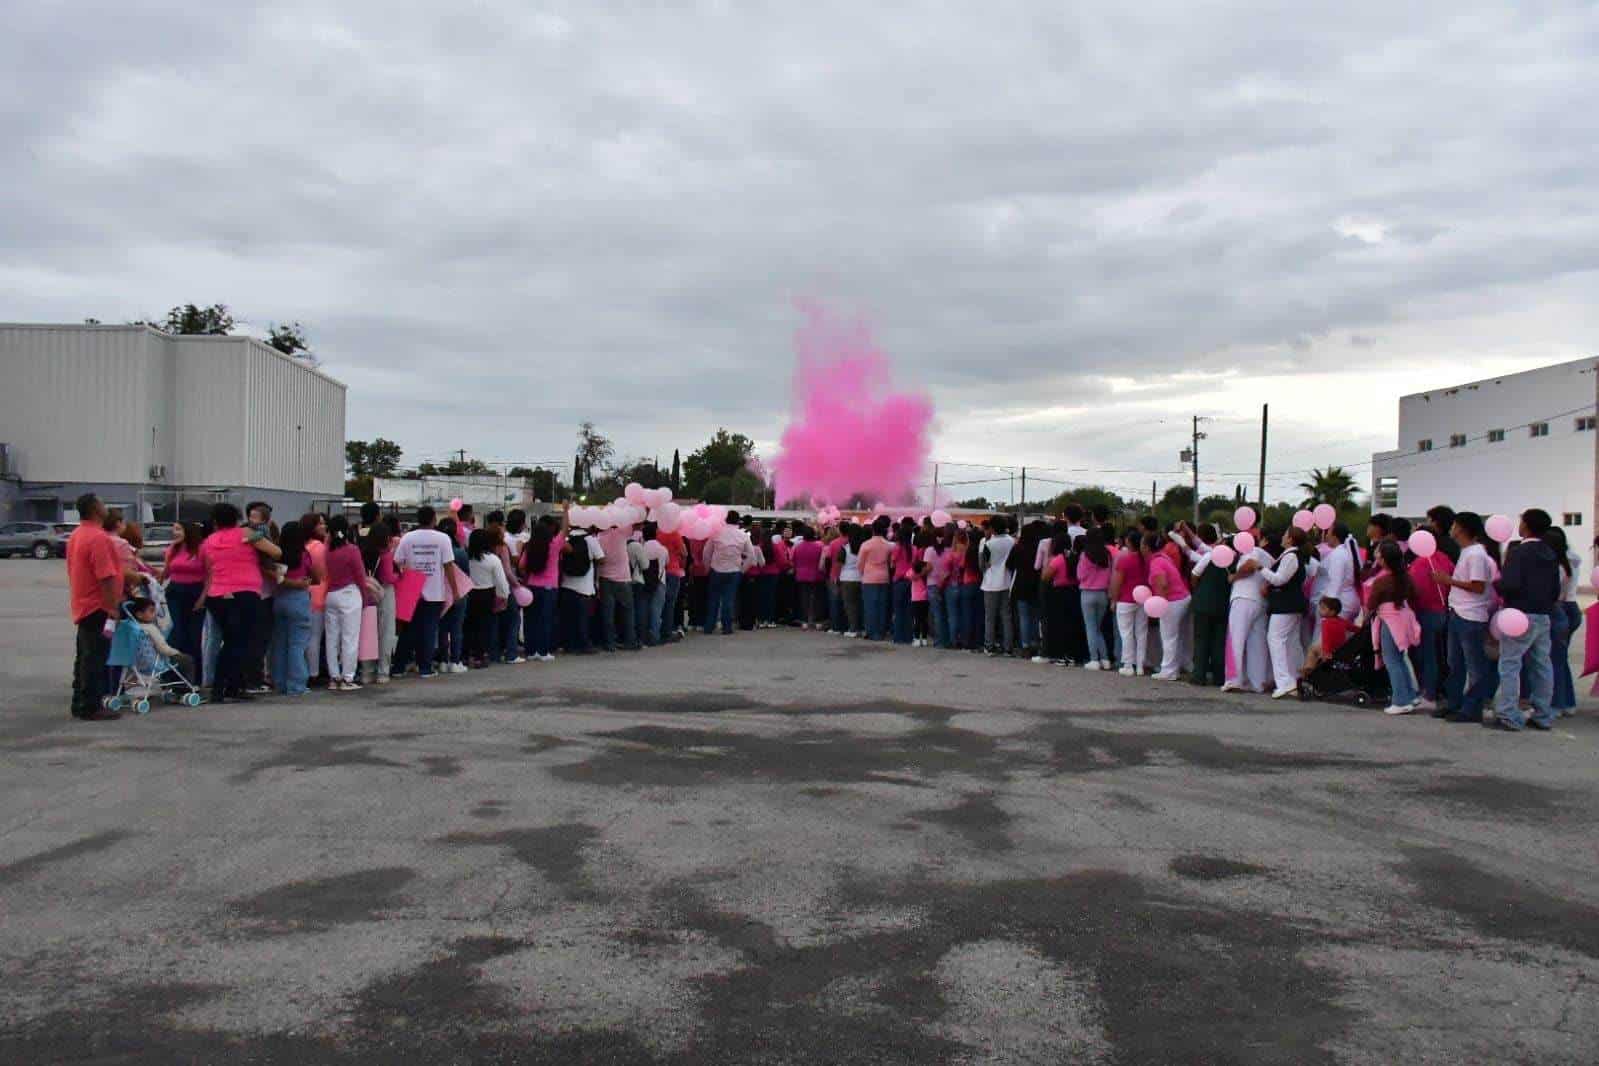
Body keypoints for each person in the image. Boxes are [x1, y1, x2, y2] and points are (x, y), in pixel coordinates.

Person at [199, 501, 282, 704]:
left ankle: (232, 686)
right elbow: (276, 552)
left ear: (216, 522)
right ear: (237, 519)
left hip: (217, 594)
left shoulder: (209, 540)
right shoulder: (246, 535)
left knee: (229, 639)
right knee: (240, 641)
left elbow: (206, 566)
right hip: (244, 592)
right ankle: (223, 688)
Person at [1491, 509, 1561, 732]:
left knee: (1510, 663)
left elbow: (1510, 583)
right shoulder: (1549, 552)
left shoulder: (1519, 552)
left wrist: (1496, 584)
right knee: (1542, 664)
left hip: (1519, 614)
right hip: (1543, 614)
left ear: (1527, 526)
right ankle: (1542, 713)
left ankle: (1508, 713)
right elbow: (1555, 588)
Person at [1432, 512, 1500, 723]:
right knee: (1455, 663)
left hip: (1471, 615)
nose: (1451, 528)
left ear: (1461, 528)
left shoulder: (1476, 555)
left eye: (1454, 525)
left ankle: (1471, 708)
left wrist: (1448, 580)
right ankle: (1455, 703)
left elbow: (1478, 586)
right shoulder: (1467, 552)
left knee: (1474, 666)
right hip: (1458, 612)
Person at [66, 494, 125, 720]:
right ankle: (91, 705)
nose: (105, 506)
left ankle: (79, 701)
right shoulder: (98, 538)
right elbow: (107, 576)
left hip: (83, 603)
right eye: (102, 502)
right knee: (96, 658)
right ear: (94, 509)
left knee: (85, 656)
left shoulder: (77, 534)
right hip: (97, 605)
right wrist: (112, 607)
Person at [390, 506, 460, 679]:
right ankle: (425, 667)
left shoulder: (407, 538)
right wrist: (455, 590)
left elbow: (397, 561)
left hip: (412, 589)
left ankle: (399, 666)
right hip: (435, 590)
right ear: (433, 519)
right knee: (429, 629)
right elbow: (448, 565)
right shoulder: (443, 539)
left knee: (408, 630)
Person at [1365, 541, 1424, 715]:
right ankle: (1410, 696)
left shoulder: (1381, 581)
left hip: (1389, 620)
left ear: (1383, 560)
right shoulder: (1405, 576)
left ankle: (1400, 700)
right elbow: (1415, 594)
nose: (1376, 555)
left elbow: (1371, 603)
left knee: (1391, 660)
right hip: (1403, 617)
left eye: (1378, 553)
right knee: (1400, 659)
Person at [1262, 527, 1316, 699]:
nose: (1282, 537)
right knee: (1290, 642)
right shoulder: (1295, 555)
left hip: (1285, 605)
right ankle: (1294, 679)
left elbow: (1280, 579)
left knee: (1275, 640)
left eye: (1285, 535)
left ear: (1291, 539)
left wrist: (1260, 569)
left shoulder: (1291, 556)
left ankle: (1284, 682)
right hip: (1292, 604)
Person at [1406, 534, 1455, 711]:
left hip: (1426, 613)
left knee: (1427, 656)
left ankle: (1429, 693)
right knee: (1441, 654)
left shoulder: (1419, 564)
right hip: (1443, 611)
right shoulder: (1443, 558)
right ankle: (1442, 690)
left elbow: (1414, 591)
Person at [1223, 533, 1273, 694]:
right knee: (1257, 643)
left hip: (1243, 598)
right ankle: (1257, 682)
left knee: (1235, 639)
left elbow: (1250, 566)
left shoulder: (1251, 552)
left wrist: (1234, 577)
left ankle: (1233, 680)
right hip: (1260, 602)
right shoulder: (1269, 557)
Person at [321, 515, 366, 690]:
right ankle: (348, 677)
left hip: (331, 595)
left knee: (332, 638)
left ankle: (334, 677)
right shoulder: (352, 550)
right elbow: (360, 576)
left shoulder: (328, 551)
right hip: (349, 594)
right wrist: (365, 597)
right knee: (350, 638)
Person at [270, 520, 314, 696]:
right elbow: (314, 574)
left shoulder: (277, 554)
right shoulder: (304, 555)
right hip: (298, 599)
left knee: (279, 643)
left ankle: (279, 682)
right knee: (297, 644)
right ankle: (296, 685)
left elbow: (277, 577)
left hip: (279, 599)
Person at [1546, 526, 1582, 717]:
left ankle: (1557, 703)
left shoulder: (1557, 565)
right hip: (1572, 608)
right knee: (1561, 659)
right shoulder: (1573, 558)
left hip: (1560, 608)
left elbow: (1554, 593)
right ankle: (1567, 701)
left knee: (1555, 660)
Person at [1145, 531, 1191, 681]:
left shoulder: (1156, 562)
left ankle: (1169, 670)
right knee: (1178, 636)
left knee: (1169, 637)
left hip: (1172, 601)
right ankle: (1177, 666)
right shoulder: (1163, 557)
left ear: (1146, 547)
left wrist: (1160, 605)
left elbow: (1162, 584)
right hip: (1183, 597)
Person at [160, 521, 207, 667]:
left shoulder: (201, 549)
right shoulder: (172, 549)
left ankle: (195, 674)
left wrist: (203, 598)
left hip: (196, 592)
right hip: (175, 592)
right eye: (173, 529)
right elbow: (166, 573)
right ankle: (174, 672)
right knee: (178, 631)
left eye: (178, 529)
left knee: (194, 634)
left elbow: (210, 576)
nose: (175, 532)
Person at [519, 515, 563, 661]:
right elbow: (565, 531)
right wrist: (565, 510)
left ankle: (531, 651)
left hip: (531, 587)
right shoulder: (554, 546)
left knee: (531, 619)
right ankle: (544, 652)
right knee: (546, 620)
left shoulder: (529, 547)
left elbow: (521, 566)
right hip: (549, 587)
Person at [465, 527, 509, 668]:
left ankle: (466, 655)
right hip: (486, 594)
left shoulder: (467, 558)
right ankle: (480, 656)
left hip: (469, 593)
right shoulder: (492, 559)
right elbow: (501, 581)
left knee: (469, 626)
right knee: (484, 627)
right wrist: (504, 596)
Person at [595, 519, 639, 652]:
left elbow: (599, 559)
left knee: (608, 613)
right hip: (623, 578)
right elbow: (637, 521)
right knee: (628, 611)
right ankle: (630, 640)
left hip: (605, 578)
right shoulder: (621, 532)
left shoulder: (599, 538)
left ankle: (610, 643)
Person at [559, 522, 602, 653]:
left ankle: (569, 645)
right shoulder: (590, 540)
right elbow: (601, 558)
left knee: (568, 618)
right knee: (583, 618)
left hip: (566, 584)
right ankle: (584, 645)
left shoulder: (565, 539)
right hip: (585, 587)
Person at [434, 518, 471, 673]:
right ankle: (455, 661)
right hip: (459, 592)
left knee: (442, 628)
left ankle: (443, 660)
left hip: (440, 592)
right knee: (456, 628)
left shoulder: (437, 548)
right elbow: (466, 573)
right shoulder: (460, 551)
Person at [1109, 530, 1147, 676]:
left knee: (1126, 633)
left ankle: (1128, 664)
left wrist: (1113, 599)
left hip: (1125, 599)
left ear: (1129, 542)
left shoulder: (1124, 559)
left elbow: (1117, 582)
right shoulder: (1146, 559)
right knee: (1141, 633)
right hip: (1143, 599)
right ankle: (1140, 665)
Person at [1075, 526, 1113, 670]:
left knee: (1090, 628)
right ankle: (1105, 659)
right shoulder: (1107, 554)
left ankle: (1094, 659)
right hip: (1103, 593)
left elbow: (1080, 575)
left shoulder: (1085, 555)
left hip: (1087, 593)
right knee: (1098, 628)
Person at [978, 517, 1015, 655]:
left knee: (990, 617)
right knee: (1006, 616)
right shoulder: (1012, 541)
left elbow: (983, 565)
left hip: (991, 583)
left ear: (993, 528)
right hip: (1007, 581)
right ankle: (1008, 647)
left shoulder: (989, 544)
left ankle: (989, 646)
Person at [859, 517, 896, 642]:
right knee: (882, 605)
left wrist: (862, 574)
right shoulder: (889, 545)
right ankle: (881, 631)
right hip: (884, 577)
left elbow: (860, 564)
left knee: (870, 606)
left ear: (873, 530)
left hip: (869, 577)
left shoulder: (866, 545)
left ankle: (871, 631)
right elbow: (892, 562)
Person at [1300, 597, 1352, 676]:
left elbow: (1326, 639)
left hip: (1330, 651)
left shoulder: (1326, 623)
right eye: (1320, 608)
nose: (1320, 611)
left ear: (1332, 612)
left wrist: (1326, 653)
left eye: (1323, 609)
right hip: (1340, 648)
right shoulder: (1341, 620)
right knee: (1316, 647)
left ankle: (1309, 669)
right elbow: (1354, 628)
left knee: (1312, 649)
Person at [891, 517, 918, 645]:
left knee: (898, 609)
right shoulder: (914, 549)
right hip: (910, 581)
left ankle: (898, 636)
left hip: (899, 580)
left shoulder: (897, 548)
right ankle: (908, 636)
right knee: (908, 610)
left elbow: (892, 564)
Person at [792, 529, 825, 630]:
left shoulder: (797, 547)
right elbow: (822, 561)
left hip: (801, 575)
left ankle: (805, 621)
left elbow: (793, 560)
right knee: (817, 599)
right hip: (817, 575)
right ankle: (818, 621)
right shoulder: (819, 547)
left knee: (804, 598)